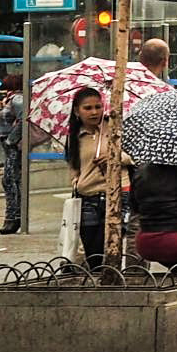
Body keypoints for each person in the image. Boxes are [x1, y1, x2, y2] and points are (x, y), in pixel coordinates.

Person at [63, 88, 117, 263]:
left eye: (98, 107)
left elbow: (133, 157)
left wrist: (114, 158)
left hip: (115, 196)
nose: (94, 112)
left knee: (109, 248)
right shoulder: (74, 136)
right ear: (76, 111)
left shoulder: (114, 129)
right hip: (87, 198)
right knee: (92, 253)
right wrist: (76, 182)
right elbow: (74, 167)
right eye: (88, 108)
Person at [0, 73, 26, 235]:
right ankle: (14, 215)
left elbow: (23, 119)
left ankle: (13, 217)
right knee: (12, 179)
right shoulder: (13, 99)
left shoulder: (17, 99)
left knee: (10, 180)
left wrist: (11, 140)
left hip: (13, 146)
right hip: (10, 145)